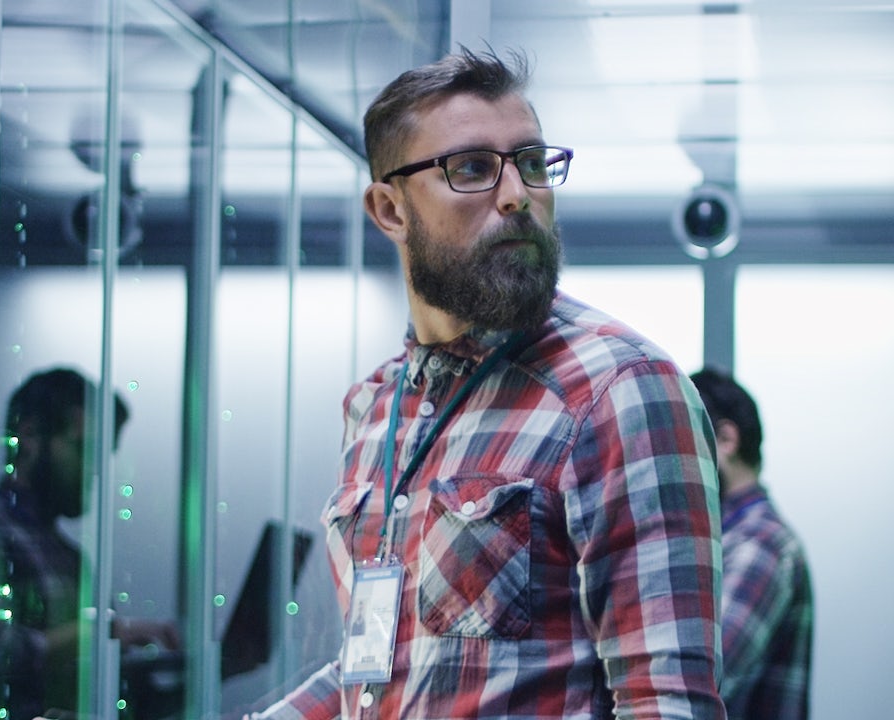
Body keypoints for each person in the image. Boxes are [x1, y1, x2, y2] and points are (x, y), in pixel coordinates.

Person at [249, 47, 725, 719]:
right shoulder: (374, 407)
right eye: (472, 168)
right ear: (389, 210)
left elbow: (667, 703)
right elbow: (382, 665)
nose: (516, 194)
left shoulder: (619, 389)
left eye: (531, 164)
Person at [0, 368, 177, 720]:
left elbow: (122, 701)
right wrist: (102, 632)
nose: (94, 471)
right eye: (83, 448)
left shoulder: (71, 559)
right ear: (28, 436)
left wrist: (224, 665)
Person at [689, 367, 813, 720]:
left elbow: (700, 684)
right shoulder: (735, 537)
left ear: (725, 439)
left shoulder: (762, 543)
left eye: (684, 440)